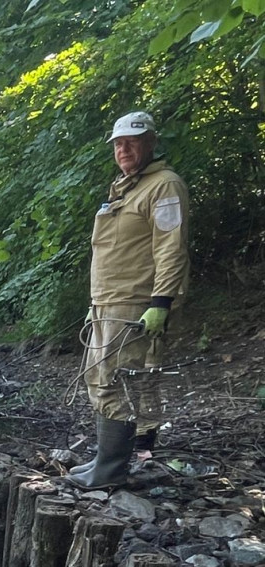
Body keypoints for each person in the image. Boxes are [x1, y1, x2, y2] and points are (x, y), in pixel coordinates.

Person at [67, 110, 189, 489]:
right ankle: (106, 459)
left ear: (151, 142)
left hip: (136, 302)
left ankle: (112, 471)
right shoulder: (125, 187)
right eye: (119, 143)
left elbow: (172, 247)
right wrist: (95, 302)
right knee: (98, 377)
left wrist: (162, 301)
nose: (124, 149)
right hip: (108, 302)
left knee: (116, 381)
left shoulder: (164, 186)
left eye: (132, 142)